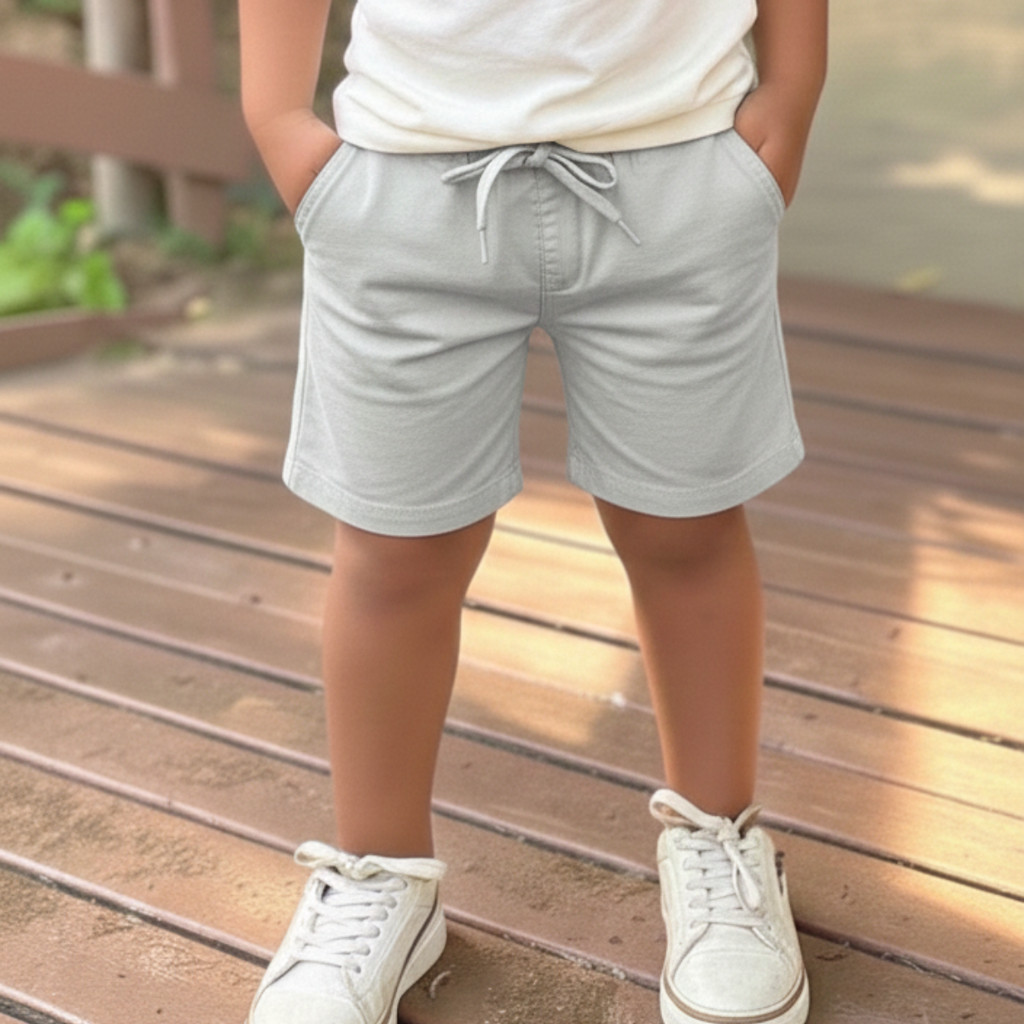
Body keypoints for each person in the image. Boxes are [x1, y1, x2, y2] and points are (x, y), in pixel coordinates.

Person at [238, 1, 827, 1022]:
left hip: (679, 171)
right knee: (394, 548)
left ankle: (718, 838)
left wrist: (792, 90)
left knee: (685, 529)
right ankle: (380, 874)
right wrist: (277, 117)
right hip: (404, 184)